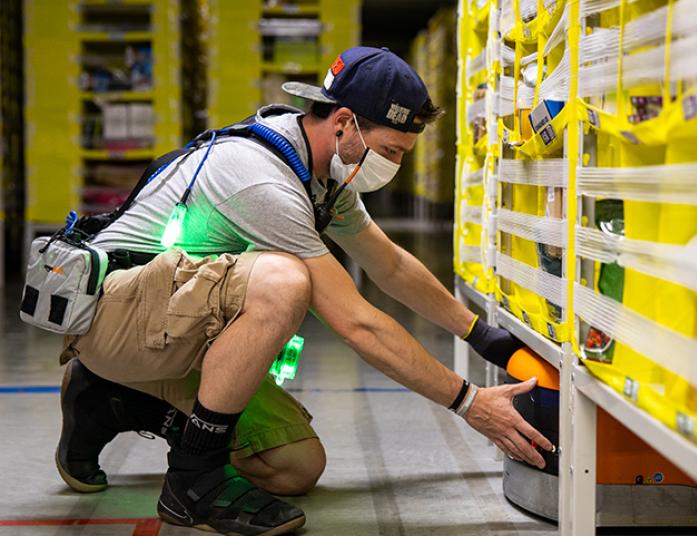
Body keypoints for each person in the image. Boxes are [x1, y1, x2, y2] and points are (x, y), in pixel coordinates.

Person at [56, 46, 553, 536]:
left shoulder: (320, 175)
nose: (395, 165)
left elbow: (391, 266)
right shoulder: (262, 181)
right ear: (343, 124)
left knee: (293, 467)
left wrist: (483, 336)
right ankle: (193, 482)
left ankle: (111, 399)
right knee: (285, 281)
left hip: (173, 325)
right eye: (391, 152)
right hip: (114, 319)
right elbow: (357, 324)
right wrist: (469, 402)